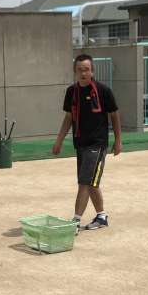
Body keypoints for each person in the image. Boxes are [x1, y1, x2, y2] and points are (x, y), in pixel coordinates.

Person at [52, 53, 122, 231]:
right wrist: (59, 140)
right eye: (79, 70)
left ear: (92, 71)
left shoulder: (103, 91)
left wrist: (118, 141)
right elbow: (69, 117)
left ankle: (75, 221)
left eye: (86, 69)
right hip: (80, 143)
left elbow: (114, 115)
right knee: (90, 182)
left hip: (97, 143)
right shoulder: (71, 92)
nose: (83, 73)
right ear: (74, 71)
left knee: (84, 182)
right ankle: (102, 216)